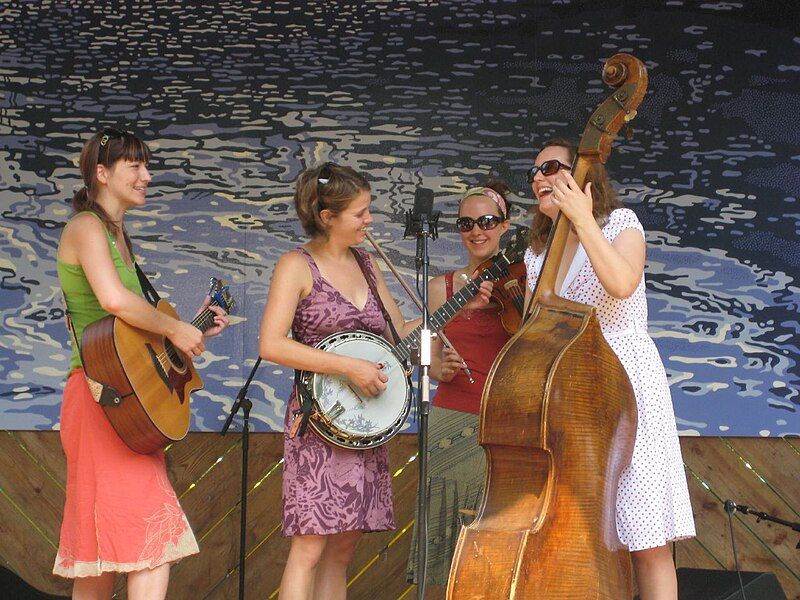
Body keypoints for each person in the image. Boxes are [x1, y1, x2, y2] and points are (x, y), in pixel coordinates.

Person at [259, 162, 491, 600]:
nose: (370, 221)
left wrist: (459, 306)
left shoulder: (366, 264)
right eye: (360, 213)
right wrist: (349, 366)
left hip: (364, 423)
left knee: (343, 549)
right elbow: (271, 344)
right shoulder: (296, 265)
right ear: (327, 217)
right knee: (309, 545)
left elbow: (398, 331)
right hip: (320, 421)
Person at [53, 128, 228, 599]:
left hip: (116, 399)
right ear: (102, 173)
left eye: (146, 166)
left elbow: (128, 333)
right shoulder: (86, 228)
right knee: (154, 538)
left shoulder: (116, 235)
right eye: (135, 166)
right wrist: (173, 329)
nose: (147, 176)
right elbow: (113, 301)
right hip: (99, 399)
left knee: (100, 556)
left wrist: (188, 329)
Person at [523, 138, 695, 600]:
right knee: (581, 531)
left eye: (551, 168)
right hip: (572, 394)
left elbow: (621, 284)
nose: (539, 177)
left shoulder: (621, 223)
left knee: (646, 541)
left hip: (627, 388)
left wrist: (581, 220)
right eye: (534, 173)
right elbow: (533, 330)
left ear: (584, 176)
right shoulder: (536, 253)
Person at [406, 182, 514, 589]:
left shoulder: (521, 279)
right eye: (466, 223)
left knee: (495, 535)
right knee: (446, 532)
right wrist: (434, 369)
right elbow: (425, 347)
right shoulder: (442, 287)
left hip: (504, 418)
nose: (476, 231)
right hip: (452, 417)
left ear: (505, 224)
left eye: (487, 221)